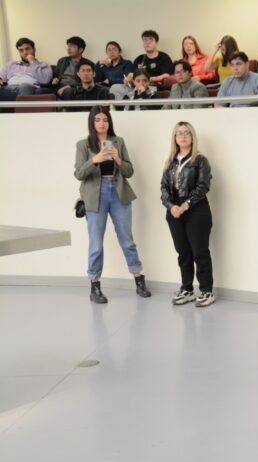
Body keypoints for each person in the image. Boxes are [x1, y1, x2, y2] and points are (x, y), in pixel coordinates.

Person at [74, 106, 152, 304]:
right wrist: (95, 159)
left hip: (118, 193)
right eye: (98, 119)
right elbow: (79, 174)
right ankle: (95, 285)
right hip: (95, 196)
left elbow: (129, 172)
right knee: (96, 244)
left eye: (105, 120)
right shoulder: (83, 145)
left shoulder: (119, 142)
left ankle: (139, 279)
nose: (102, 123)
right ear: (92, 122)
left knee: (127, 240)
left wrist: (117, 158)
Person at [161, 122, 215, 308]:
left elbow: (203, 187)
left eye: (187, 133)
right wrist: (171, 206)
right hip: (174, 212)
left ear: (192, 137)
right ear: (175, 138)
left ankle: (207, 291)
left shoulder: (200, 160)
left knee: (200, 252)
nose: (183, 136)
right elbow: (164, 188)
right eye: (179, 133)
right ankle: (187, 289)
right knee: (183, 252)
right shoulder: (170, 161)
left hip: (196, 211)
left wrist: (185, 205)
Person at [110, 30, 173, 101]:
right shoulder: (139, 58)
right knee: (115, 88)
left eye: (150, 40)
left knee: (141, 95)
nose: (147, 43)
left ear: (157, 43)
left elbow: (166, 75)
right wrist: (127, 79)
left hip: (151, 87)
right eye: (145, 40)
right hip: (135, 86)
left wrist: (146, 80)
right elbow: (131, 73)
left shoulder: (163, 57)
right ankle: (122, 110)